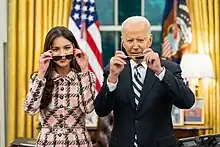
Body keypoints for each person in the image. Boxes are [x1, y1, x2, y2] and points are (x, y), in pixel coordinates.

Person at [94, 16, 195, 147]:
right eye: (130, 40)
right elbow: (101, 110)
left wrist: (161, 72)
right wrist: (112, 79)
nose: (135, 46)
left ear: (150, 40)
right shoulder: (112, 70)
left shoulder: (169, 68)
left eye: (140, 40)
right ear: (122, 42)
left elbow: (187, 102)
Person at [24, 26, 96, 147]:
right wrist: (41, 73)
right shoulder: (39, 78)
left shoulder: (86, 77)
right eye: (56, 49)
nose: (62, 54)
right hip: (47, 143)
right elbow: (30, 110)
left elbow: (88, 109)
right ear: (49, 52)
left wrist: (84, 70)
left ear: (74, 48)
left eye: (67, 48)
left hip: (78, 143)